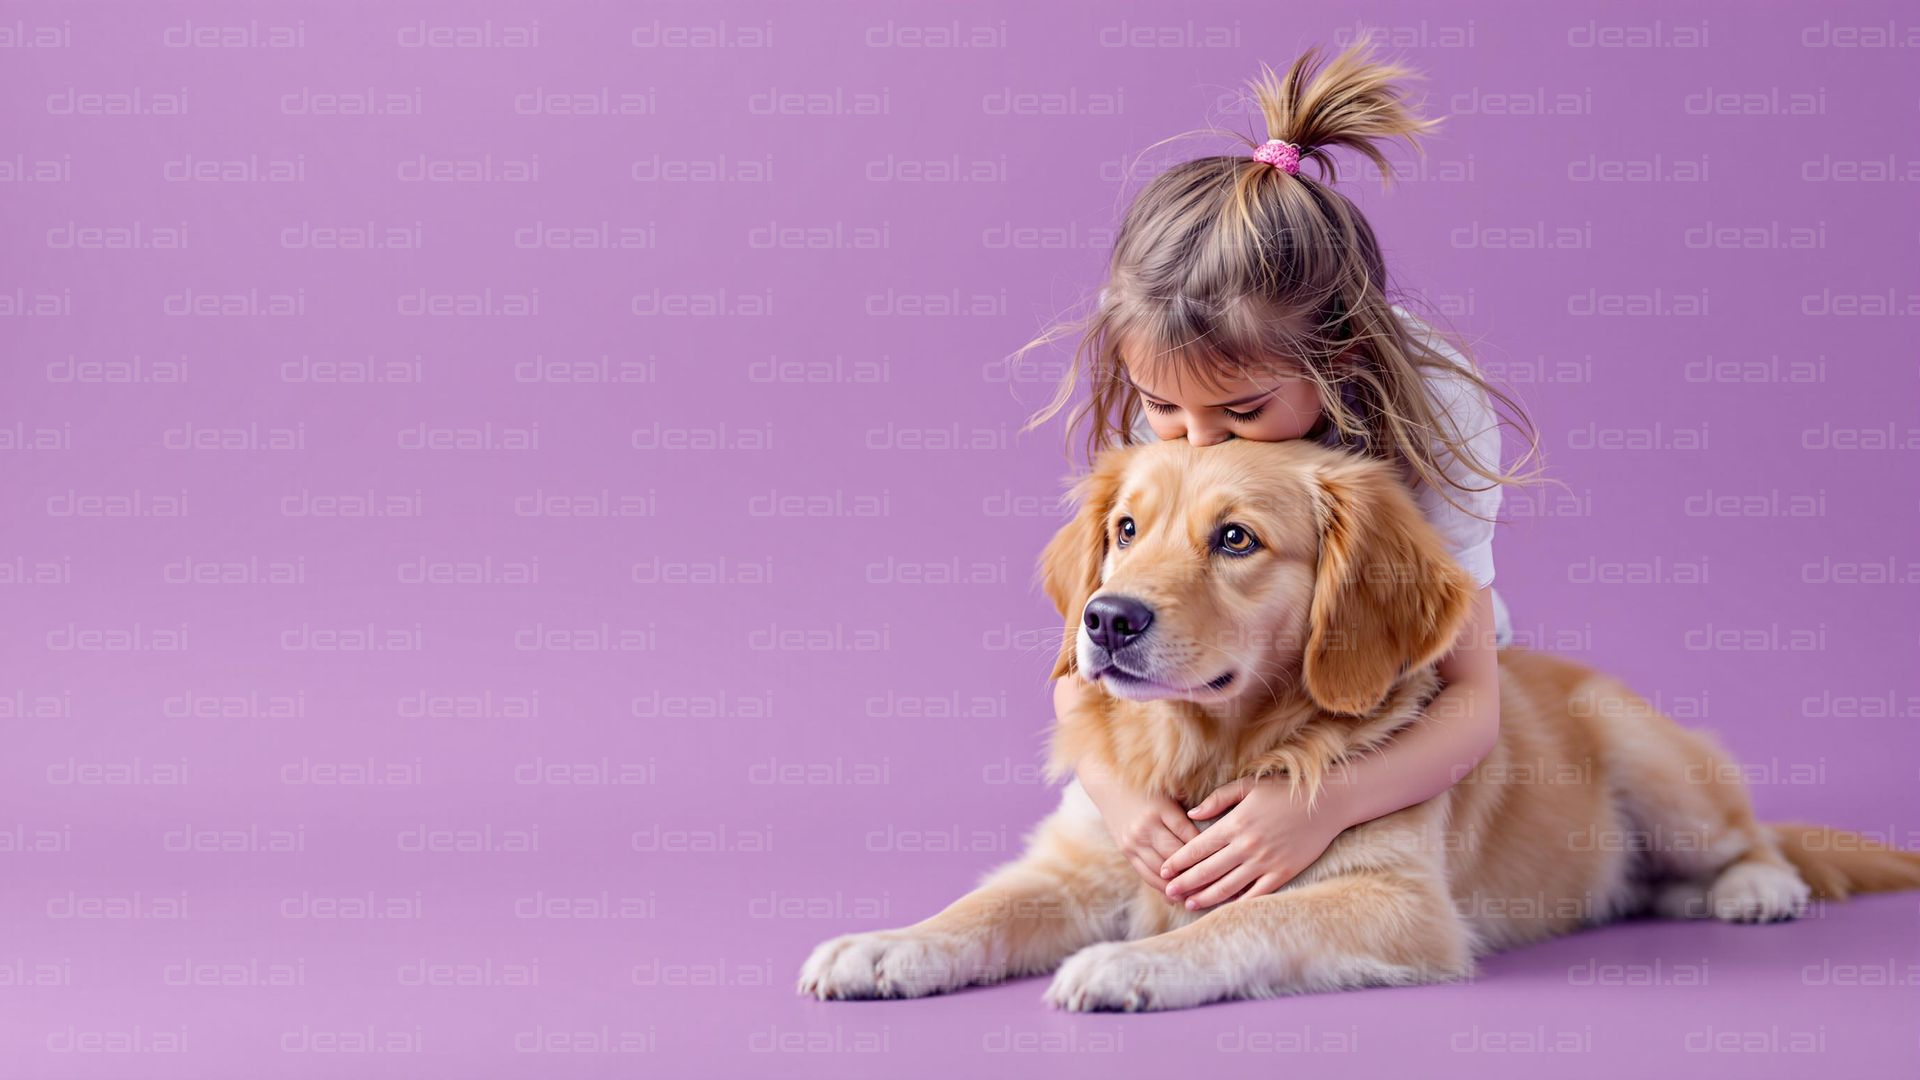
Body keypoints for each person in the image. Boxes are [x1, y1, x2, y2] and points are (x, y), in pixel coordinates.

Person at [1013, 35, 1541, 913]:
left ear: (1339, 358)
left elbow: (1469, 704)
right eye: (1166, 409)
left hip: (1390, 679)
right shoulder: (1172, 414)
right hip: (1196, 682)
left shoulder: (1441, 403)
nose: (1201, 445)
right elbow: (1080, 659)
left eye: (1244, 413)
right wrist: (1121, 798)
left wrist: (1317, 808)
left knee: (1399, 842)